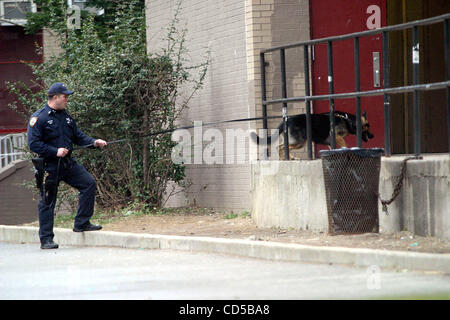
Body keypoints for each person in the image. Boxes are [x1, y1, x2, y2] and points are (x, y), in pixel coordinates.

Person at [27, 82, 107, 249]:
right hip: (49, 165)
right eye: (65, 96)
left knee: (88, 184)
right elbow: (34, 144)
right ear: (55, 97)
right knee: (48, 201)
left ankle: (82, 223)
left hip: (67, 163)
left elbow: (78, 136)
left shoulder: (66, 116)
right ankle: (46, 239)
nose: (67, 100)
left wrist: (94, 142)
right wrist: (55, 151)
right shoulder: (39, 118)